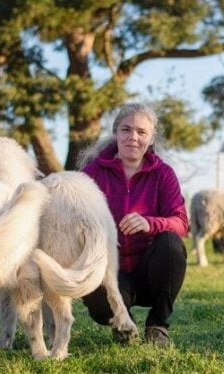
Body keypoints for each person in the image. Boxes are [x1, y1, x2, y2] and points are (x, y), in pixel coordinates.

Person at [80, 103, 188, 347]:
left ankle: (158, 325)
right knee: (100, 306)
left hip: (150, 272)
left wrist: (150, 224)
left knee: (170, 241)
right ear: (116, 132)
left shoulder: (164, 174)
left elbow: (180, 222)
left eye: (142, 132)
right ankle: (122, 323)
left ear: (151, 139)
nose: (133, 138)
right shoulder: (92, 173)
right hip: (110, 271)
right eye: (126, 130)